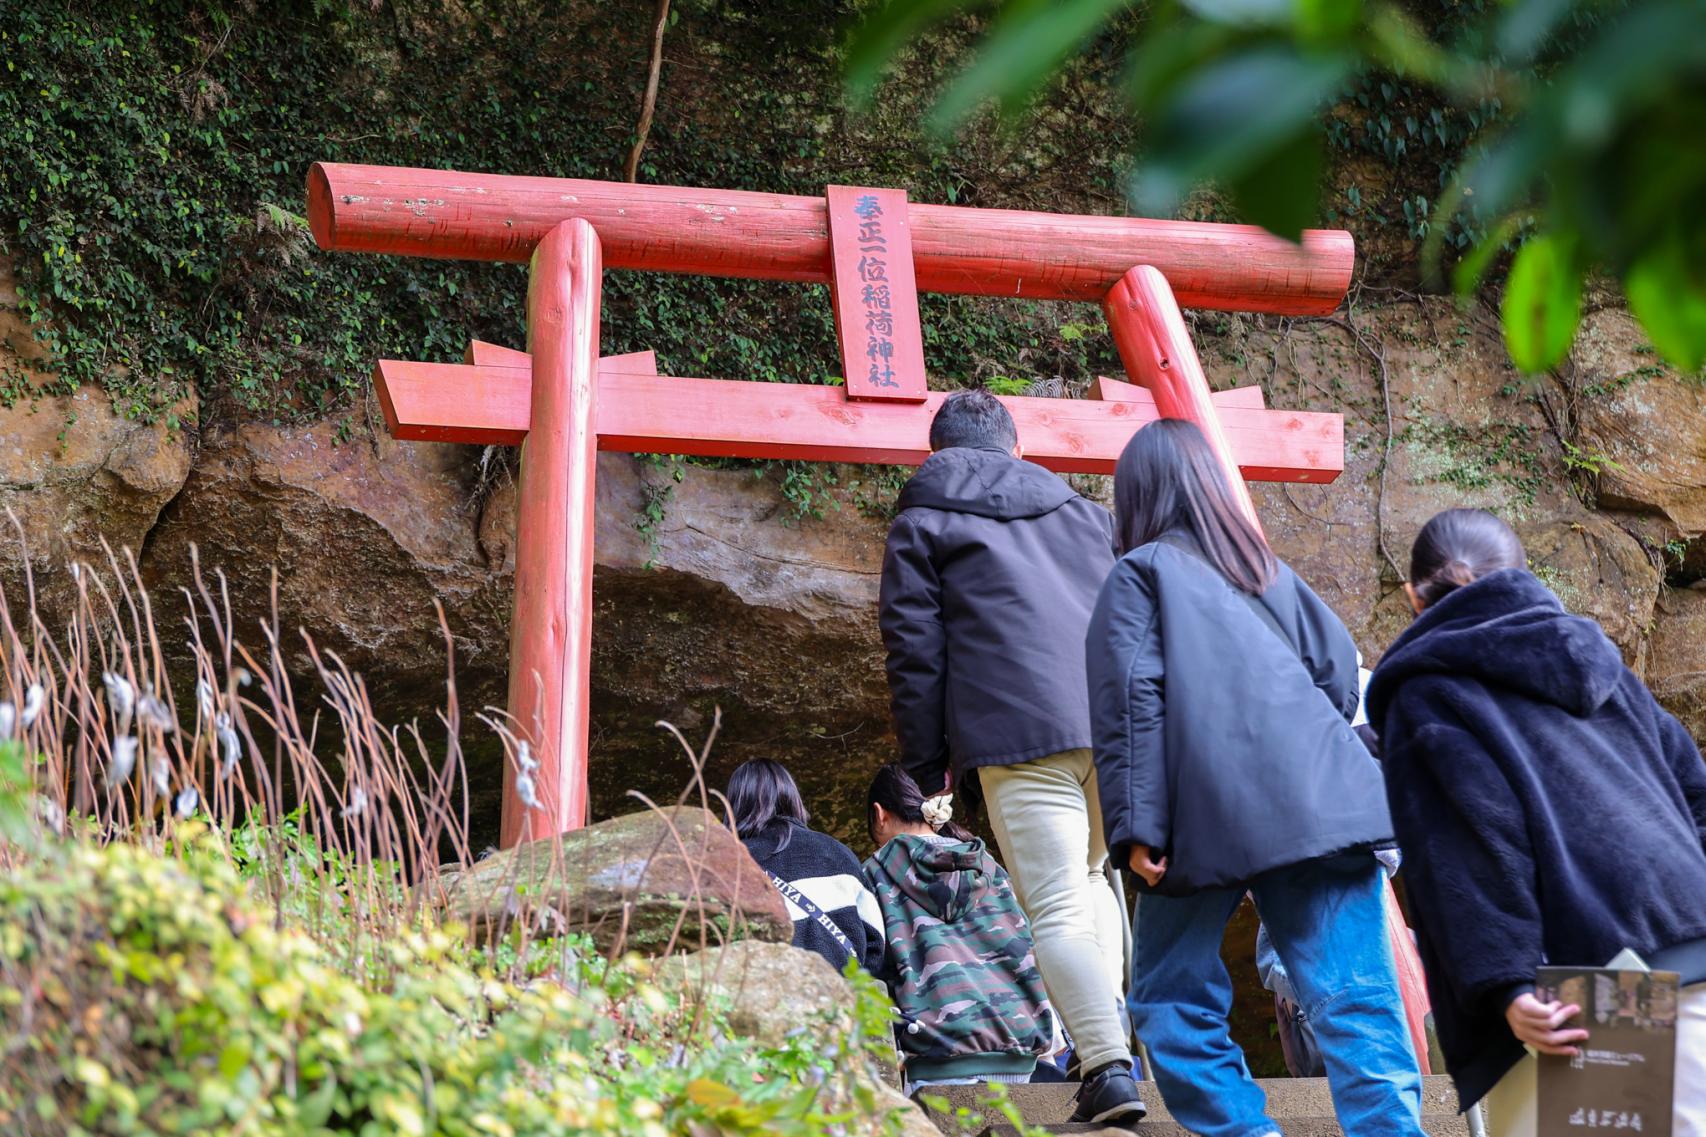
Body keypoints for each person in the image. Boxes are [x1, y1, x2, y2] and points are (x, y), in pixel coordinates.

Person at [1085, 418, 1425, 1137]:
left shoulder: (1138, 573)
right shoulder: (1268, 570)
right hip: (1325, 801)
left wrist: (1136, 825)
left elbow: (1131, 698)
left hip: (1200, 814)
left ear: (1135, 496)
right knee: (1356, 998)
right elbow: (1337, 671)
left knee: (1171, 998)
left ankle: (1246, 1131)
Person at [1365, 508, 1706, 1136]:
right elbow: (1696, 797)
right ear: (1521, 577)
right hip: (1694, 946)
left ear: (1416, 598)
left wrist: (1507, 983)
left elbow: (1469, 844)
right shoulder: (1608, 670)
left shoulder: (1428, 694)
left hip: (1588, 986)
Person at [878, 388, 1143, 1125]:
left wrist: (927, 767)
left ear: (936, 455)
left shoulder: (923, 520)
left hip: (1021, 734)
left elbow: (915, 650)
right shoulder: (1091, 517)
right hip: (1114, 727)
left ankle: (1108, 1067)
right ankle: (1108, 1044)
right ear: (1018, 448)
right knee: (1089, 876)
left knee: (1053, 900)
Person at [862, 764, 1056, 1093]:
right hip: (1021, 1057)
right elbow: (1028, 944)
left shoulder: (874, 873)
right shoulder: (989, 866)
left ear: (879, 814)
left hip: (937, 1063)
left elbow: (872, 967)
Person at [726, 758, 884, 974]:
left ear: (735, 805)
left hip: (768, 993)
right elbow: (875, 937)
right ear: (792, 798)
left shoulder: (731, 863)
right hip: (845, 993)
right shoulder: (838, 852)